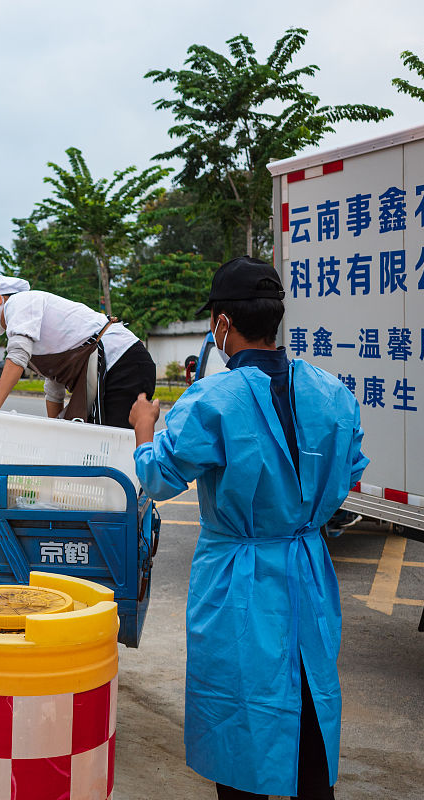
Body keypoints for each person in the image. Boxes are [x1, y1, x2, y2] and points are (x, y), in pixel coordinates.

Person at [128, 257, 369, 800]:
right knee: (308, 697)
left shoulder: (213, 398)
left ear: (221, 324)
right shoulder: (331, 391)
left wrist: (145, 429)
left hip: (240, 574)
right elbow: (351, 467)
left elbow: (160, 477)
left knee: (241, 710)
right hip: (307, 565)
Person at [0, 275, 155, 428]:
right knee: (94, 438)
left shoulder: (20, 302)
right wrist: (55, 428)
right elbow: (54, 384)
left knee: (112, 441)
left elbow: (17, 355)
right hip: (121, 365)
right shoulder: (28, 326)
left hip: (123, 362)